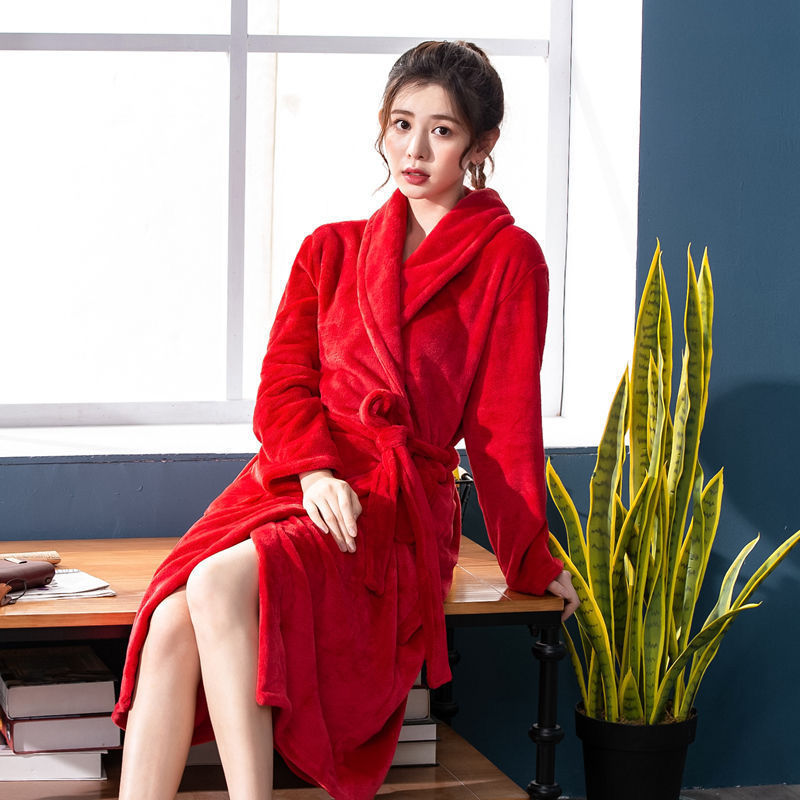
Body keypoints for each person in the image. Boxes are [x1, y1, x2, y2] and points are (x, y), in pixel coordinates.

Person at [113, 39, 580, 800]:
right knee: (169, 618)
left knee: (214, 584)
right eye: (401, 124)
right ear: (382, 125)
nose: (414, 149)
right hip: (299, 479)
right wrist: (315, 471)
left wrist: (529, 558)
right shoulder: (331, 248)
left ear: (482, 143)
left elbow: (504, 425)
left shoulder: (509, 258)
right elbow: (283, 385)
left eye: (442, 130)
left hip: (392, 508)